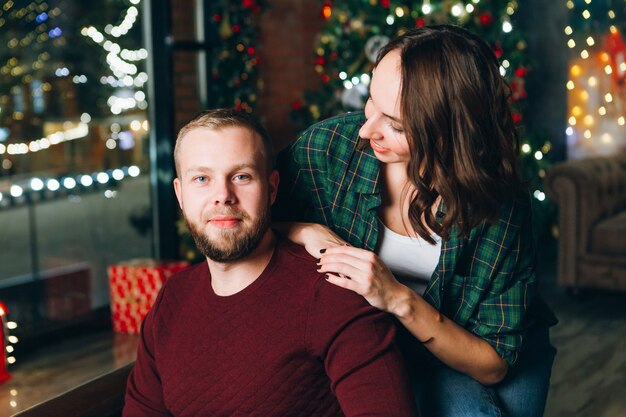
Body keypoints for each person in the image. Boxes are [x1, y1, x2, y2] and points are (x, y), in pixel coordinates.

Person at [273, 25, 558, 417]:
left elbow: (493, 364)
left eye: (397, 125)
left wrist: (396, 298)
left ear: (448, 135)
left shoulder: (499, 202)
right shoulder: (327, 150)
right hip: (381, 345)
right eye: (372, 102)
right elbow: (247, 225)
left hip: (484, 345)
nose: (366, 129)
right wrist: (303, 230)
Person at [123, 108, 418, 416]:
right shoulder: (171, 300)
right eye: (202, 178)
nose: (223, 196)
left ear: (272, 187)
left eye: (241, 177)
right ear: (180, 194)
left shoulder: (334, 294)